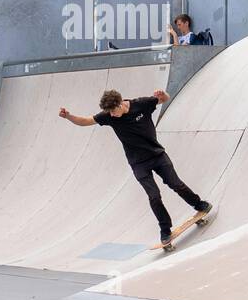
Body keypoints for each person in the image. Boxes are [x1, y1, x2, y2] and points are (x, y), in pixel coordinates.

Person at [59, 89, 211, 246]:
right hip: (138, 164)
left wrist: (163, 94)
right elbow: (85, 121)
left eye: (113, 111)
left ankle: (198, 204)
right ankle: (165, 230)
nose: (111, 115)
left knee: (175, 184)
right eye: (108, 112)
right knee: (154, 196)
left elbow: (163, 99)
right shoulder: (108, 116)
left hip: (158, 155)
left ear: (120, 104)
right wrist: (69, 116)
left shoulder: (142, 104)